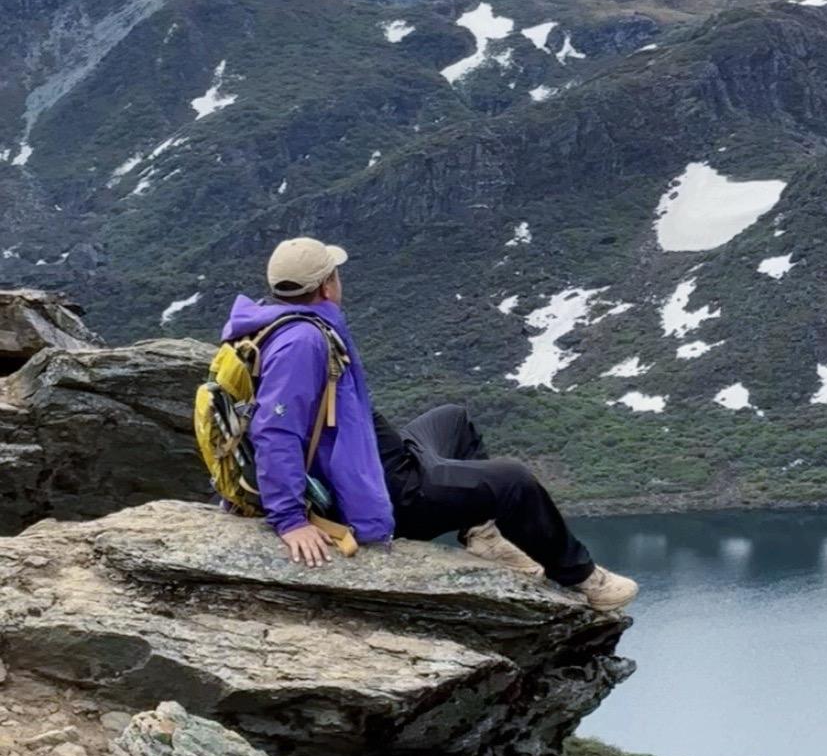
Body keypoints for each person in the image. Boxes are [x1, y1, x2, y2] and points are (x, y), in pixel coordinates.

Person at [219, 237, 638, 612]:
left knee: (453, 419)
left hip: (387, 461)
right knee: (514, 481)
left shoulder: (272, 324)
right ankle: (582, 577)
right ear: (327, 285)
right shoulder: (303, 341)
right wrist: (290, 519)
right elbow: (275, 431)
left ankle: (484, 536)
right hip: (392, 493)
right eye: (336, 274)